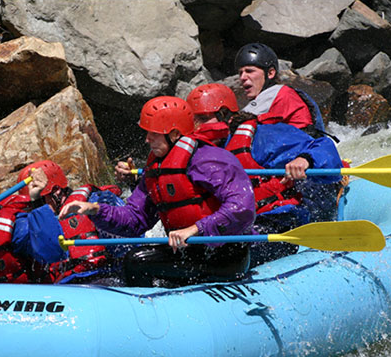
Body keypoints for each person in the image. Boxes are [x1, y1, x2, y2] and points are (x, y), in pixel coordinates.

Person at [58, 96, 255, 287]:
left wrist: (196, 229)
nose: (147, 139)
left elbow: (243, 208)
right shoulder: (157, 169)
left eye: (153, 133)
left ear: (175, 134)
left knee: (137, 262)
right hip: (188, 253)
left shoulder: (210, 159)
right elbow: (135, 219)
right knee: (133, 260)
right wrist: (94, 209)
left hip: (225, 255)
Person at [186, 82, 345, 265]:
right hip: (220, 228)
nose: (198, 126)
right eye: (194, 120)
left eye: (204, 118)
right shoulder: (192, 153)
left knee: (225, 255)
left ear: (224, 115)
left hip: (275, 222)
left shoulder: (262, 137)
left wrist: (305, 159)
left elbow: (323, 146)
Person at [14, 160, 126, 284]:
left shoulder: (95, 202)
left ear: (57, 191)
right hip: (64, 288)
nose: (34, 209)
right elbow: (49, 252)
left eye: (40, 201)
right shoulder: (31, 223)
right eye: (31, 204)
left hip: (103, 278)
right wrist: (38, 205)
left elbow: (129, 235)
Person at [235, 42, 327, 137]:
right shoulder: (285, 93)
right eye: (240, 73)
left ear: (270, 73)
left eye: (249, 71)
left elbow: (238, 122)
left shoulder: (278, 94)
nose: (243, 77)